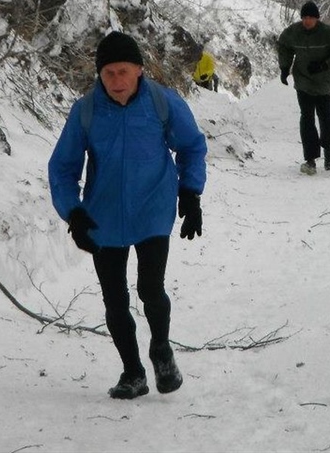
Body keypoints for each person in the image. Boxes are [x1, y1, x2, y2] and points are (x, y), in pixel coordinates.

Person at [48, 31, 207, 400]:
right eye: (108, 74)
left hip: (153, 207)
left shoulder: (161, 103)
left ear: (139, 69)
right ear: (99, 75)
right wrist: (73, 212)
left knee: (151, 287)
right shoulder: (86, 111)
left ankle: (161, 350)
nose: (116, 81)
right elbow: (63, 167)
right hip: (103, 215)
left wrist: (191, 192)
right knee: (114, 300)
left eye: (123, 71)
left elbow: (192, 147)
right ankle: (132, 372)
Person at [278, 1, 330, 174]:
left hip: (324, 82)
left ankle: (328, 150)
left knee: (325, 116)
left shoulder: (328, 33)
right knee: (307, 118)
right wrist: (285, 68)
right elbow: (283, 46)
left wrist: (325, 65)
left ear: (317, 18)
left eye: (310, 17)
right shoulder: (293, 32)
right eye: (304, 17)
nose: (307, 21)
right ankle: (310, 159)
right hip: (303, 81)